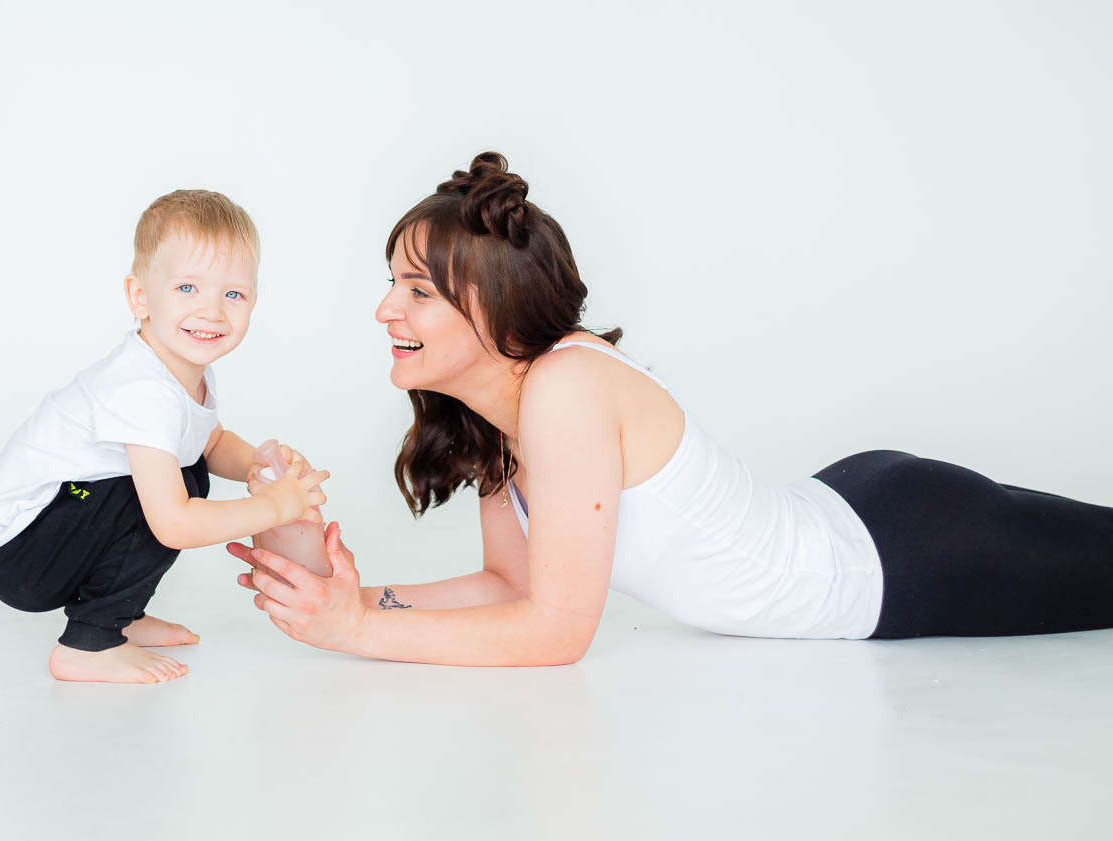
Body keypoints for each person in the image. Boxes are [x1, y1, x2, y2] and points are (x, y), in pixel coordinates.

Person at [228, 153, 1113, 666]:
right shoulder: (501, 415)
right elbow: (514, 587)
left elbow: (558, 631)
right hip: (857, 505)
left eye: (416, 291)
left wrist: (354, 632)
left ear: (490, 308)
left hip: (900, 555)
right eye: (392, 282)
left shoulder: (567, 389)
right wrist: (359, 598)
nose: (386, 308)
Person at [0, 190, 328, 683]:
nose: (213, 311)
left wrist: (255, 466)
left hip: (51, 531)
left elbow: (209, 440)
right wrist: (276, 507)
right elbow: (174, 525)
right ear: (140, 297)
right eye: (187, 288)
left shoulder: (181, 368)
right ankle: (89, 643)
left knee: (187, 469)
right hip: (21, 550)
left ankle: (121, 615)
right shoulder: (143, 388)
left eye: (233, 294)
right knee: (175, 492)